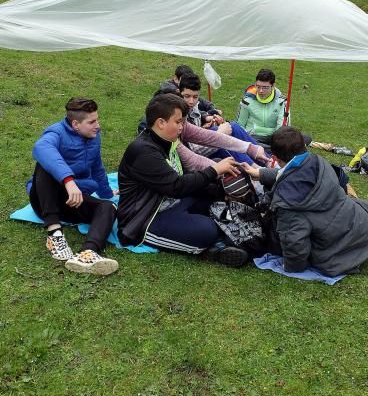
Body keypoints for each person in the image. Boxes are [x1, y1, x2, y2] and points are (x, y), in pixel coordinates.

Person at [117, 94, 249, 267]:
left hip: (170, 203)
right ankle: (214, 250)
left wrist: (221, 192)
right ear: (160, 123)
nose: (182, 127)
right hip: (145, 219)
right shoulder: (143, 151)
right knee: (207, 230)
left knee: (216, 202)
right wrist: (214, 170)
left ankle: (220, 240)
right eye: (178, 122)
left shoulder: (168, 141)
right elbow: (176, 186)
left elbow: (186, 178)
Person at [243, 126, 368, 277]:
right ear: (304, 146)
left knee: (273, 236)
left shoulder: (288, 202)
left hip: (340, 251)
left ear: (276, 158)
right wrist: (261, 173)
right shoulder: (315, 161)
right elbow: (289, 173)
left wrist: (291, 266)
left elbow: (294, 241)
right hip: (360, 224)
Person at [27, 98, 119, 276]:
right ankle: (55, 235)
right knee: (45, 165)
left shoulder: (94, 137)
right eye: (92, 122)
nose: (98, 125)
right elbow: (41, 147)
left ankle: (88, 254)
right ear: (76, 124)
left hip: (73, 200)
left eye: (97, 120)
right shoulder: (57, 132)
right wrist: (68, 181)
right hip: (45, 200)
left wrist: (107, 193)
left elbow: (97, 167)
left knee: (108, 207)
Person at [178, 73, 267, 165]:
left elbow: (200, 116)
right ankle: (257, 169)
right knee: (223, 140)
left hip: (201, 146)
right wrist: (220, 133)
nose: (191, 101)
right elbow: (191, 150)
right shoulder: (177, 115)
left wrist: (208, 119)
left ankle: (269, 162)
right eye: (187, 96)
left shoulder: (192, 107)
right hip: (193, 158)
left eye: (195, 97)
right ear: (179, 93)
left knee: (233, 126)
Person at [237, 68, 287, 145]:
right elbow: (240, 125)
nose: (260, 91)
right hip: (252, 137)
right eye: (258, 86)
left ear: (273, 86)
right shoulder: (247, 100)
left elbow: (282, 129)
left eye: (265, 87)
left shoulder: (282, 102)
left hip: (274, 138)